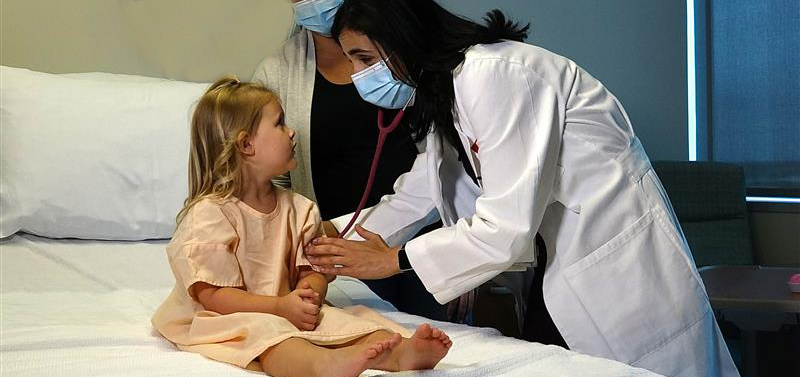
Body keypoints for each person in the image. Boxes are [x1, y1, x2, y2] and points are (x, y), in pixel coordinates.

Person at [303, 1, 740, 376]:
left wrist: (394, 261)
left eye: (363, 58)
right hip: (556, 270)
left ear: (400, 38)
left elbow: (506, 226)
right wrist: (331, 233)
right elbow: (424, 190)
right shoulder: (446, 90)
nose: (358, 76)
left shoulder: (494, 74)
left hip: (617, 269)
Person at [151, 77, 451, 377]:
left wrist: (309, 295)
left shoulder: (300, 209)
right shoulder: (209, 215)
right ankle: (323, 365)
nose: (292, 132)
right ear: (246, 144)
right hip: (229, 316)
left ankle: (400, 353)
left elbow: (312, 269)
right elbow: (213, 296)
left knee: (351, 322)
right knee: (272, 337)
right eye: (280, 124)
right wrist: (280, 308)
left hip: (289, 308)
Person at [251, 0, 451, 321]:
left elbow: (446, 175)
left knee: (440, 346)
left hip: (425, 246)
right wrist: (308, 236)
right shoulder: (277, 73)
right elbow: (269, 180)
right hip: (339, 252)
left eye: (365, 59)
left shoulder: (412, 57)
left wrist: (459, 260)